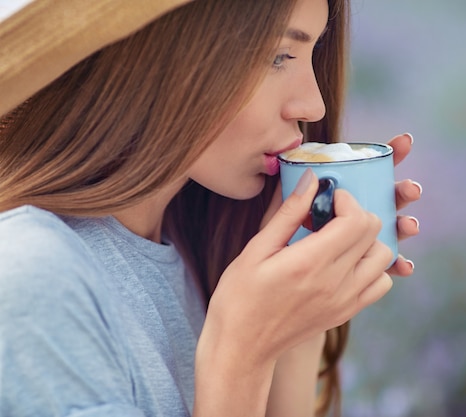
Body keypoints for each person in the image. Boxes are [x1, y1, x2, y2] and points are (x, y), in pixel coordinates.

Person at [0, 0, 422, 416]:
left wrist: (295, 325)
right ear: (159, 56)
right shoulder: (33, 274)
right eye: (278, 57)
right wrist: (240, 356)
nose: (314, 106)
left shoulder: (192, 251)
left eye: (311, 54)